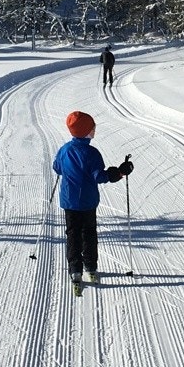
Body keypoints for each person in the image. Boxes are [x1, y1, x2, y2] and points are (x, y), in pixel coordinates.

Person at [52, 110, 133, 286]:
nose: (94, 129)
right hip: (88, 203)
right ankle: (90, 267)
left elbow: (57, 167)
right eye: (92, 127)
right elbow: (99, 176)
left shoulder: (64, 150)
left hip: (69, 201)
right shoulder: (92, 153)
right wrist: (119, 173)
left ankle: (75, 269)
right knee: (88, 233)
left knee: (73, 233)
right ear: (87, 131)